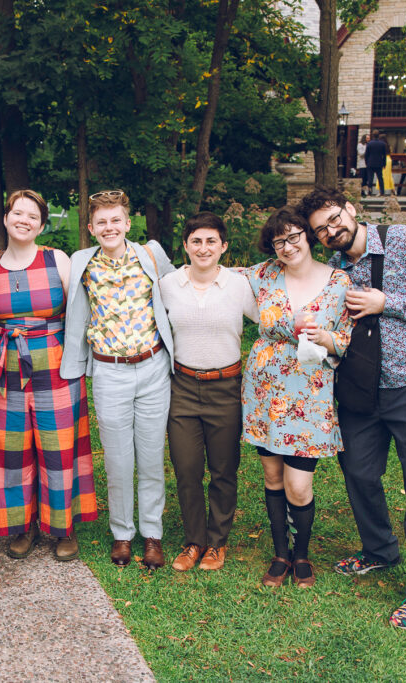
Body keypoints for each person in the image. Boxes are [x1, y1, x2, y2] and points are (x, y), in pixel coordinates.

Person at [300, 186, 406, 630]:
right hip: (358, 389)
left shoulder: (404, 241)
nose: (331, 231)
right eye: (321, 230)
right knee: (358, 473)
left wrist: (385, 302)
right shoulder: (332, 269)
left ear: (350, 209)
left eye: (334, 219)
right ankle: (379, 549)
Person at [62, 189, 175, 569]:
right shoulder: (81, 262)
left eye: (116, 220)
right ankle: (123, 534)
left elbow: (183, 288)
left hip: (153, 367)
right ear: (91, 228)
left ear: (128, 223)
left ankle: (153, 533)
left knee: (150, 455)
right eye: (101, 222)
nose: (109, 227)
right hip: (108, 371)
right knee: (117, 458)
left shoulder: (151, 255)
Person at [242, 206, 354, 589]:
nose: (288, 247)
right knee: (273, 477)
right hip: (264, 391)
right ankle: (280, 555)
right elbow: (214, 279)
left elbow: (346, 338)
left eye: (293, 237)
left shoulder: (340, 282)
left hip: (310, 395)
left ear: (307, 236)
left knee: (299, 486)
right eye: (279, 242)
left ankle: (301, 555)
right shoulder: (262, 275)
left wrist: (328, 339)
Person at [0, 189, 98, 561]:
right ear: (5, 218)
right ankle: (23, 525)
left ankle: (62, 527)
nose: (24, 220)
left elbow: (80, 315)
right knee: (12, 451)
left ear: (41, 225)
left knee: (58, 448)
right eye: (17, 213)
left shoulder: (57, 260)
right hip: (6, 373)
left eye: (32, 216)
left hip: (56, 368)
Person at [160, 212, 255, 572]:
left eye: (211, 241)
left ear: (224, 246)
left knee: (223, 468)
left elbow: (271, 318)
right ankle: (193, 540)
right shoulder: (168, 285)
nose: (203, 248)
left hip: (226, 386)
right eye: (196, 241)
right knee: (186, 467)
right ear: (185, 245)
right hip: (182, 387)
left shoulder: (239, 285)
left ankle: (217, 542)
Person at [364, 132, 388, 196]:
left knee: (370, 178)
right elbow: (384, 155)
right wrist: (384, 163)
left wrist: (366, 162)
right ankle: (382, 192)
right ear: (378, 136)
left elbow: (366, 154)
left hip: (370, 162)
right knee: (380, 178)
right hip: (379, 163)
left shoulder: (369, 144)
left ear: (373, 136)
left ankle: (369, 192)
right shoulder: (382, 144)